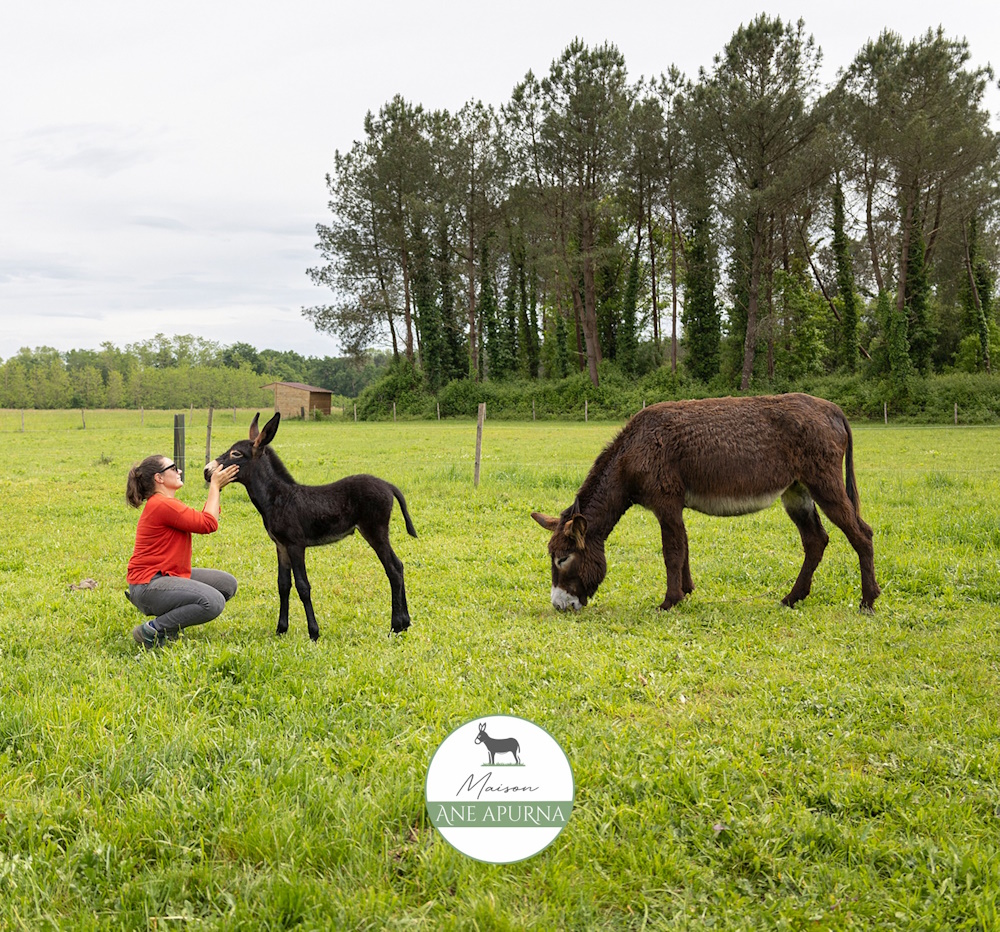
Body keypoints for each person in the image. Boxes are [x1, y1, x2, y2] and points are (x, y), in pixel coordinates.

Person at [125, 454, 240, 649]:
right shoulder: (161, 504)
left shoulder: (165, 503)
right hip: (147, 585)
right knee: (213, 602)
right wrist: (213, 486)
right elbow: (208, 523)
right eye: (173, 467)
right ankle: (152, 630)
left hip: (166, 576)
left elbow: (204, 520)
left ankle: (170, 626)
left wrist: (216, 488)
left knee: (226, 584)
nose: (179, 471)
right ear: (159, 478)